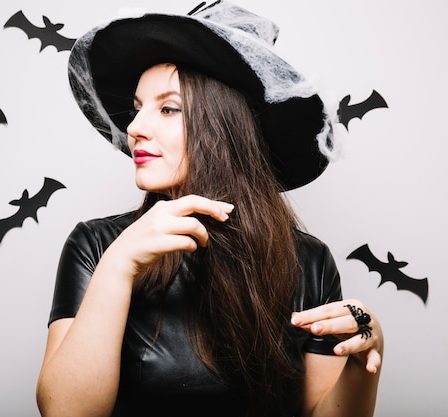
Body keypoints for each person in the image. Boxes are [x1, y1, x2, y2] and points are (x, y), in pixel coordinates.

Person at [36, 1, 383, 416]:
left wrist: (364, 362)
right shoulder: (96, 245)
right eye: (137, 107)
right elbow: (66, 412)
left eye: (167, 108)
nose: (133, 128)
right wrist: (119, 265)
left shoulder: (309, 262)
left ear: (224, 126)